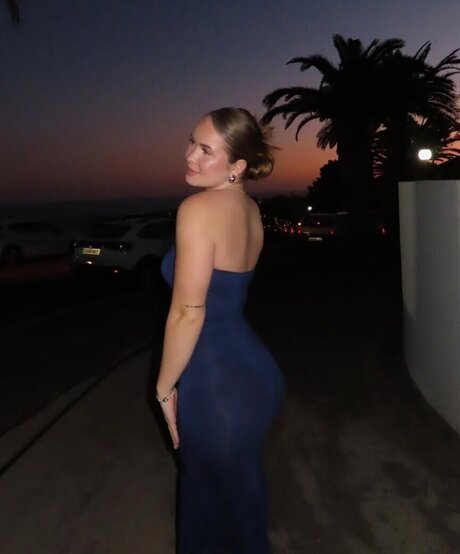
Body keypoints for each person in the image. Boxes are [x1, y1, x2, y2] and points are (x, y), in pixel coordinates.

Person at [156, 107, 285, 553]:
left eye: (206, 150)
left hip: (215, 385)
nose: (190, 155)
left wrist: (164, 388)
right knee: (241, 504)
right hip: (255, 375)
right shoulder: (250, 210)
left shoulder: (196, 209)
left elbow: (188, 313)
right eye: (191, 142)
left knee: (208, 509)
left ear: (237, 165)